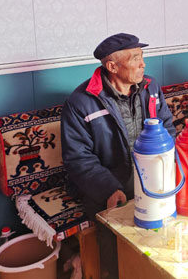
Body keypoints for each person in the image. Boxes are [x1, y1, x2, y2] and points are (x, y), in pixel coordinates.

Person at [60, 33, 175, 277]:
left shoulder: (151, 87)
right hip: (108, 180)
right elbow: (78, 159)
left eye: (142, 56)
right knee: (116, 238)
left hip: (151, 171)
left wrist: (169, 165)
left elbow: (167, 127)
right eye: (135, 58)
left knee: (170, 221)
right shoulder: (81, 102)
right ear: (112, 67)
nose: (143, 63)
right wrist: (109, 189)